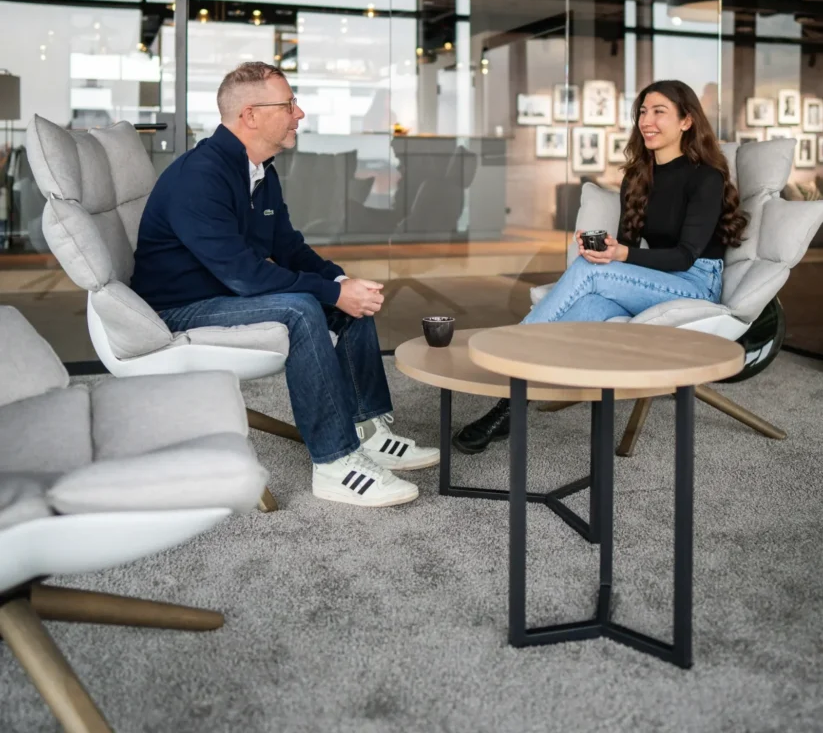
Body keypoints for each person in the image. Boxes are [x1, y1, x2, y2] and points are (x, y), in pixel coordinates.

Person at [131, 62, 439, 506]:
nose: (300, 113)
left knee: (344, 298)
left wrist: (340, 281)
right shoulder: (200, 177)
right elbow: (245, 274)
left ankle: (366, 428)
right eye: (289, 103)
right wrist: (332, 292)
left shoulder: (260, 171)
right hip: (181, 307)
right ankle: (334, 463)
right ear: (250, 115)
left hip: (224, 293)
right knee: (302, 309)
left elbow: (288, 247)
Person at [454, 79, 747, 454]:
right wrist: (603, 249)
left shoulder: (705, 177)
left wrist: (615, 258)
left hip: (694, 280)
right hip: (651, 282)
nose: (647, 120)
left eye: (659, 112)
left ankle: (509, 349)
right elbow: (625, 245)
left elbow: (685, 255)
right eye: (642, 111)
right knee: (581, 309)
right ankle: (507, 410)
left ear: (686, 121)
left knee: (590, 272)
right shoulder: (638, 176)